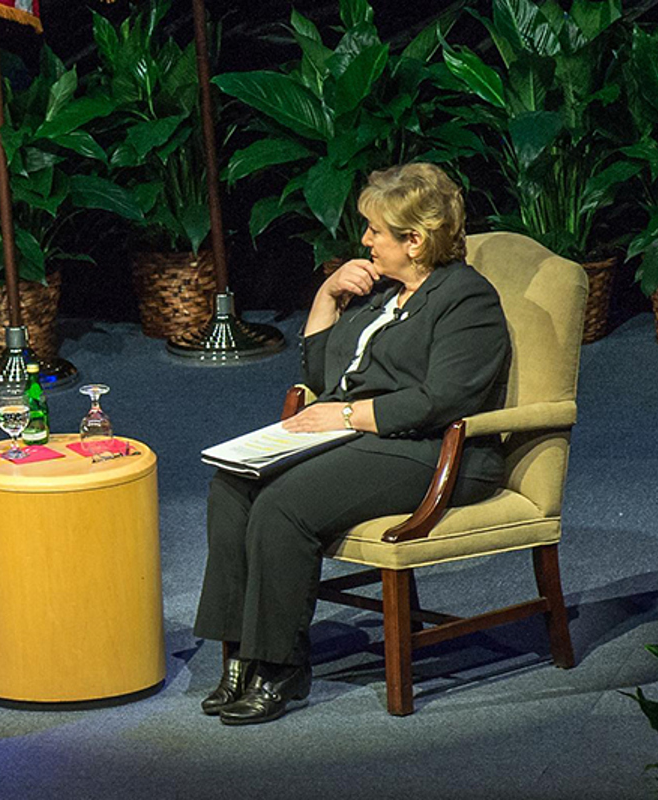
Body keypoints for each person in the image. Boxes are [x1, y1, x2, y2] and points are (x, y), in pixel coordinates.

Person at [193, 163, 510, 725]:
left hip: (436, 451)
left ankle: (281, 665)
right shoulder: (380, 292)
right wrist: (326, 297)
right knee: (232, 485)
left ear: (415, 240)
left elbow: (446, 397)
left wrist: (347, 414)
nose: (364, 241)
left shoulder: (465, 298)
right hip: (363, 435)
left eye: (375, 231)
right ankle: (240, 655)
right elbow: (324, 374)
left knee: (283, 507)